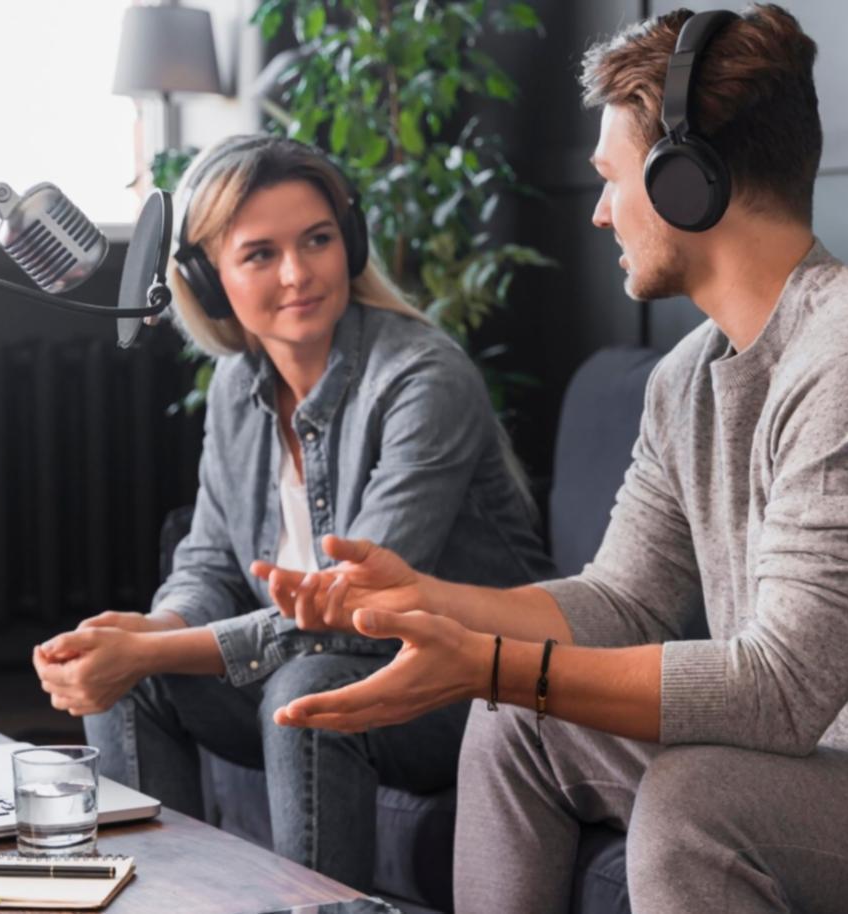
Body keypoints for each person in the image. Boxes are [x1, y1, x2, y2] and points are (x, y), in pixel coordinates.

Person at [250, 7, 848, 913]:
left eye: (613, 179)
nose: (600, 210)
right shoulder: (686, 378)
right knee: (515, 723)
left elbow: (781, 689)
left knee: (695, 802)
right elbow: (624, 601)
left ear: (687, 182)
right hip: (825, 758)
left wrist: (486, 661)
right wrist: (425, 600)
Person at [31, 134, 554, 892]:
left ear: (351, 242)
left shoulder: (423, 379)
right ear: (209, 284)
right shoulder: (237, 389)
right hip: (321, 664)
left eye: (317, 240)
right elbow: (209, 560)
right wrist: (155, 632)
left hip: (470, 685)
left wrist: (157, 648)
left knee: (307, 685)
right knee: (131, 679)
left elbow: (351, 607)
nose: (299, 273)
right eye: (260, 254)